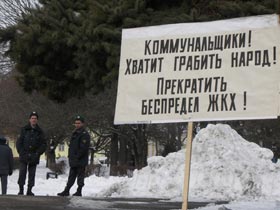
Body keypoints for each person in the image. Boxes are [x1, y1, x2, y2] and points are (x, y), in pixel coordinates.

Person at [58, 115, 90, 197]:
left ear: (82, 124)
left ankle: (79, 191)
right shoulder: (75, 133)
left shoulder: (84, 134)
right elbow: (72, 146)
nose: (77, 125)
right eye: (76, 123)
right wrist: (71, 156)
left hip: (80, 160)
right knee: (71, 176)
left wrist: (76, 156)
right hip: (74, 159)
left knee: (80, 177)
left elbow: (83, 148)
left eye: (79, 123)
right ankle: (66, 190)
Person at [16, 111, 46, 196]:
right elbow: (19, 142)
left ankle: (29, 190)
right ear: (29, 119)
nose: (34, 120)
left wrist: (37, 153)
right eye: (32, 118)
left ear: (37, 120)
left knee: (32, 174)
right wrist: (21, 152)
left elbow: (43, 144)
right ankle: (21, 190)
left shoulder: (40, 132)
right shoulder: (24, 129)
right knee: (22, 173)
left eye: (35, 118)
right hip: (24, 155)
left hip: (34, 156)